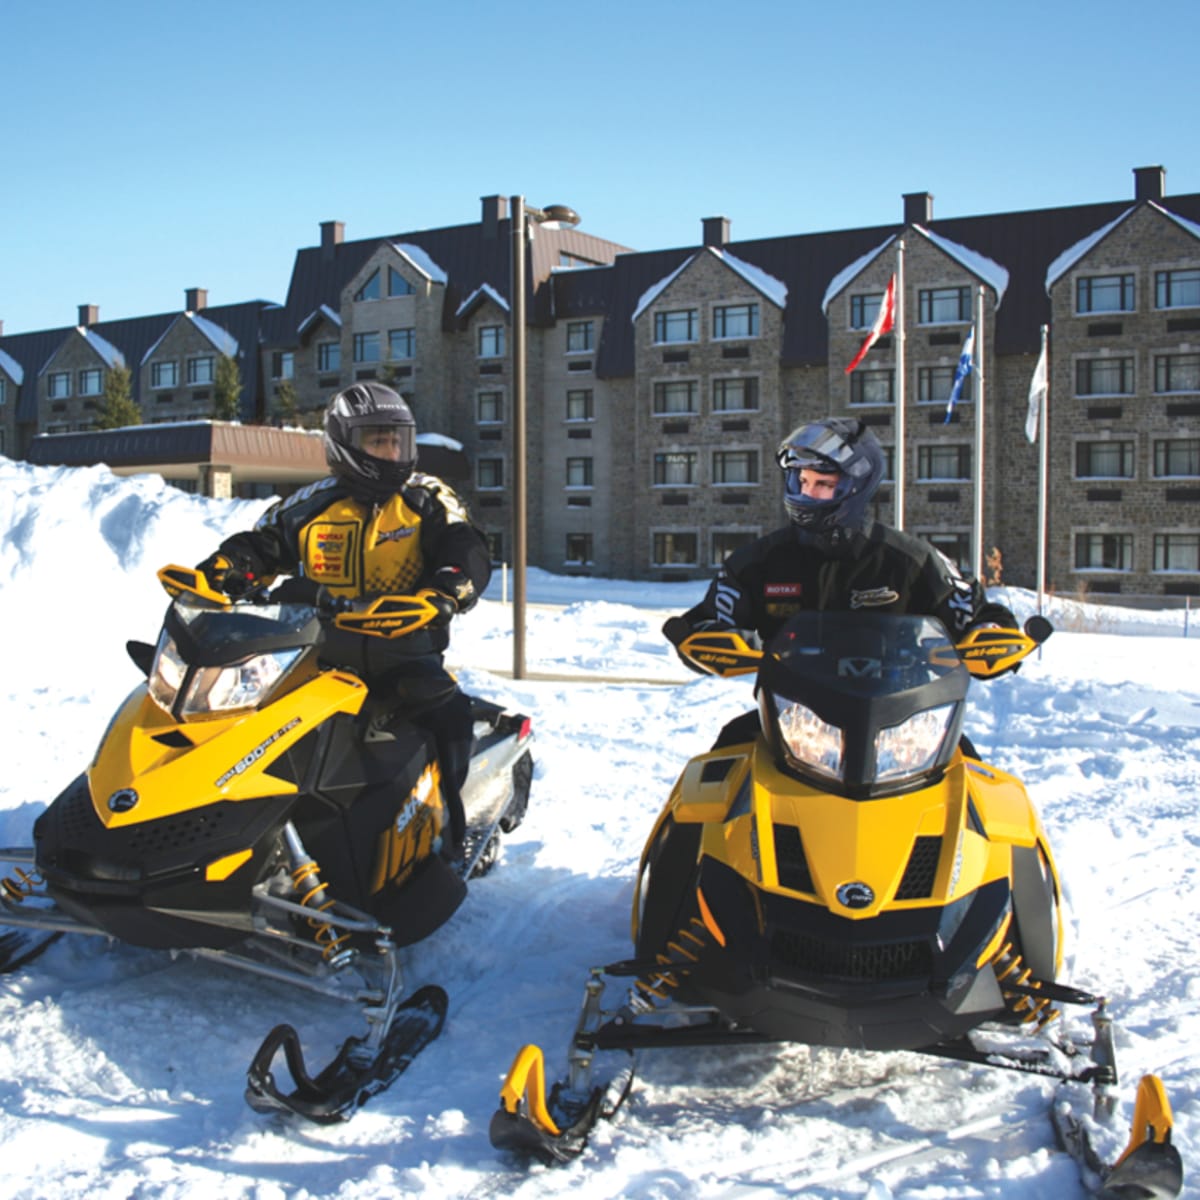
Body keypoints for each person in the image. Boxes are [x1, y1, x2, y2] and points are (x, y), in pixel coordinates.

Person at [197, 381, 491, 859]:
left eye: (397, 440)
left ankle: (448, 835)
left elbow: (465, 544)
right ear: (342, 444)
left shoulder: (425, 498)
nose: (391, 452)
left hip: (403, 651)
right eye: (378, 441)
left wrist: (447, 590)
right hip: (316, 652)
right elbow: (263, 544)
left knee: (450, 719)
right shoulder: (311, 504)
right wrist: (229, 565)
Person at [665, 415, 1016, 748]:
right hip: (792, 721)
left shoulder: (911, 559)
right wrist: (712, 639)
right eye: (802, 481)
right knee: (718, 771)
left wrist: (991, 634)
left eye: (823, 484)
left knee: (970, 775)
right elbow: (709, 619)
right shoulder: (757, 562)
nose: (808, 493)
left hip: (900, 727)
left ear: (855, 488)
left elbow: (974, 612)